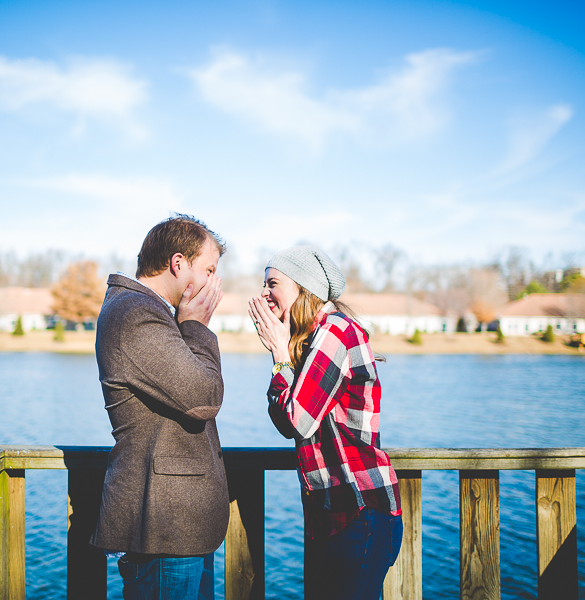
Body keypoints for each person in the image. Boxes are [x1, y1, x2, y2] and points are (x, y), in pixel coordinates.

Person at [247, 245, 403, 600]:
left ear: (303, 288)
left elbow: (297, 421)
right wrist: (283, 356)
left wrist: (279, 354)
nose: (264, 293)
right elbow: (285, 420)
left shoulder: (335, 333)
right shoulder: (313, 339)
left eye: (273, 283)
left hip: (360, 513)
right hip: (332, 517)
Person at [92, 214, 229, 600]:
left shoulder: (151, 313)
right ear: (178, 263)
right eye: (209, 269)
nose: (212, 284)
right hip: (163, 528)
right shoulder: (134, 314)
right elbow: (203, 397)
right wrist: (196, 325)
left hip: (178, 528)